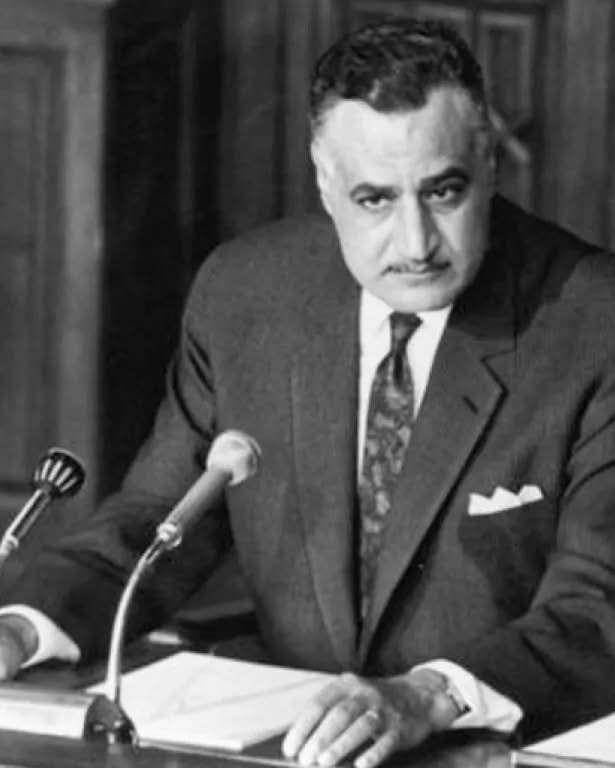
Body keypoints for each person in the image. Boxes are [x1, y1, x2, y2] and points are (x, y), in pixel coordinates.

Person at [2, 17, 615, 768]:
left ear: (488, 163)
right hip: (291, 747)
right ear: (325, 184)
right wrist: (22, 627)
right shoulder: (247, 294)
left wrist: (428, 695)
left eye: (444, 191)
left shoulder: (594, 321)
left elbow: (597, 607)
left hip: (504, 747)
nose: (416, 242)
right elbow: (157, 522)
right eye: (374, 199)